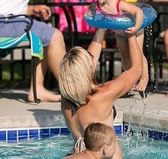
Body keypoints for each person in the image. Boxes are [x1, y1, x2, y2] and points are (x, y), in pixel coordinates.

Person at [59, 28, 143, 158]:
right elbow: (136, 69)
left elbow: (86, 64)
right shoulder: (104, 94)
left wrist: (101, 29)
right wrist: (131, 34)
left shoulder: (66, 99)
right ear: (88, 69)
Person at [92, 0, 149, 93]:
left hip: (134, 29)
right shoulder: (99, 5)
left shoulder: (119, 3)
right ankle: (131, 80)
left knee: (138, 54)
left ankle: (144, 78)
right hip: (119, 31)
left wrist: (136, 27)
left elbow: (138, 12)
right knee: (125, 56)